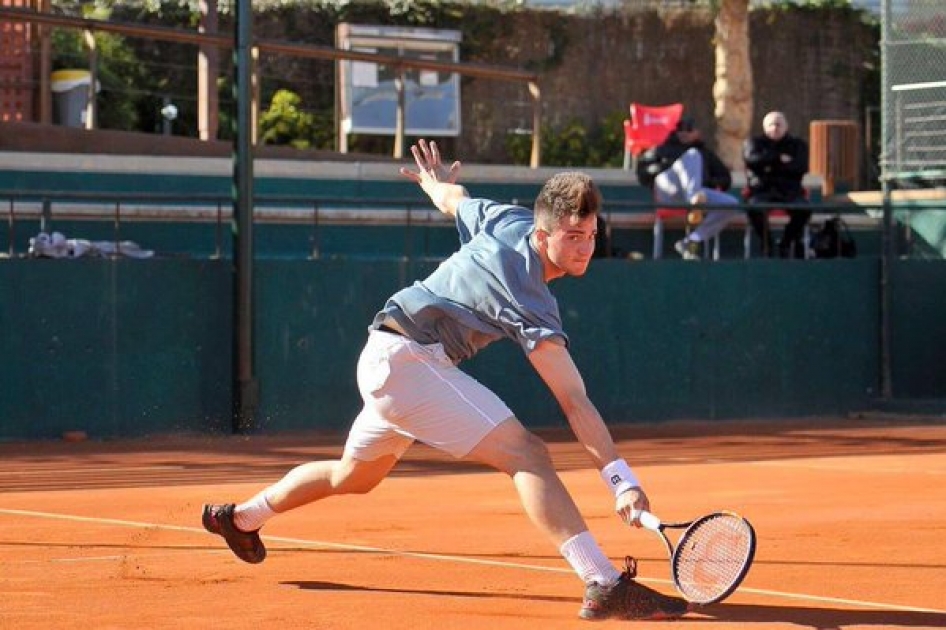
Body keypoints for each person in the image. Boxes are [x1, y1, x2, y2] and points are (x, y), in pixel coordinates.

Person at [202, 139, 689, 621]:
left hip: (384, 358)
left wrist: (436, 184)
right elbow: (573, 399)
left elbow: (455, 200)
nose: (584, 247)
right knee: (528, 456)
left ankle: (240, 518)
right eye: (571, 236)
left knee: (351, 477)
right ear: (543, 236)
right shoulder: (530, 297)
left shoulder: (506, 219)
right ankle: (602, 582)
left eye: (590, 234)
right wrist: (620, 479)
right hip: (411, 362)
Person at [636, 115, 739, 260]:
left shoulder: (705, 153)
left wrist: (708, 182)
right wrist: (667, 166)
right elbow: (642, 172)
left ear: (697, 133)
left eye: (689, 129)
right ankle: (694, 200)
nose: (683, 133)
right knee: (692, 155)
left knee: (731, 204)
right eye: (680, 129)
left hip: (697, 195)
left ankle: (692, 240)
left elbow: (725, 179)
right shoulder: (663, 148)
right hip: (668, 191)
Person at [743, 111, 811, 258]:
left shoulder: (798, 145)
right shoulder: (754, 143)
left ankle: (786, 242)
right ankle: (767, 243)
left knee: (804, 210)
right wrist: (778, 159)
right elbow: (752, 160)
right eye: (771, 125)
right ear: (764, 127)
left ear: (786, 126)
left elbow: (801, 167)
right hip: (762, 190)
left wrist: (768, 165)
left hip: (789, 190)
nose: (775, 128)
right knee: (754, 209)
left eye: (778, 124)